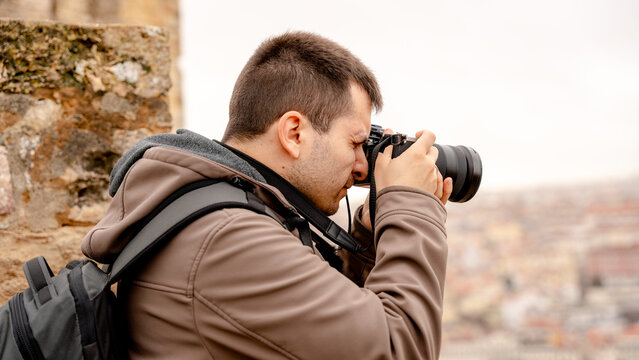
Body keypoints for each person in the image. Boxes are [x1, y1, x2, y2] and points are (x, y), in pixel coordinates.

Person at [81, 31, 453, 359]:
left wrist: (371, 237)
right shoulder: (227, 238)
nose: (361, 167)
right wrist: (410, 205)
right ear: (294, 133)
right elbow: (400, 348)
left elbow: (326, 333)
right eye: (356, 142)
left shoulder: (229, 213)